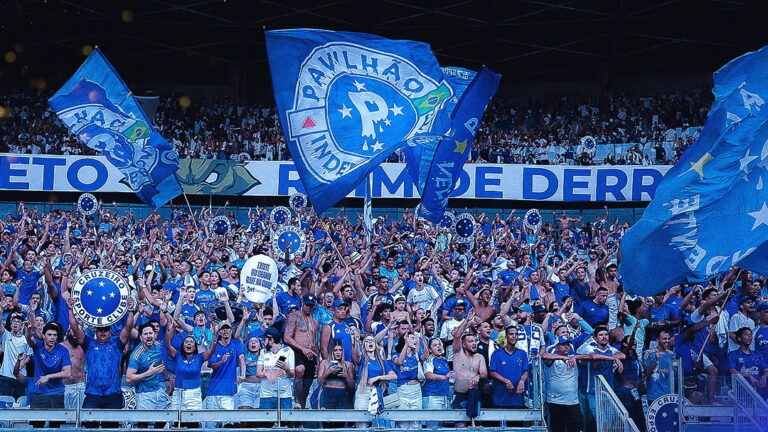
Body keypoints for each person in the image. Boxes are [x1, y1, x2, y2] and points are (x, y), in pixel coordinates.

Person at [24, 309, 71, 429]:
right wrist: (29, 329)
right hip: (38, 392)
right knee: (37, 426)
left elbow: (67, 372)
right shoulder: (38, 346)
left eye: (54, 335)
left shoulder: (63, 350)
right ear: (43, 336)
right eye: (49, 335)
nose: (52, 338)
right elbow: (29, 339)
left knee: (56, 426)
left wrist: (48, 376)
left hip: (57, 392)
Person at [576, 325, 625, 432]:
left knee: (608, 424)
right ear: (595, 337)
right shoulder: (590, 347)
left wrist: (615, 358)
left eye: (606, 334)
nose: (604, 337)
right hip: (593, 391)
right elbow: (594, 357)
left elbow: (622, 355)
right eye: (601, 335)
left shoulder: (610, 349)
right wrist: (613, 359)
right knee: (602, 422)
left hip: (608, 391)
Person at [165, 321, 217, 411]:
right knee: (176, 421)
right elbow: (168, 346)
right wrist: (168, 332)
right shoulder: (177, 356)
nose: (189, 343)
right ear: (183, 345)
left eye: (191, 342)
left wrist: (214, 336)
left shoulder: (199, 357)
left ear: (194, 346)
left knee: (193, 422)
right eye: (186, 342)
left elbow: (211, 351)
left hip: (194, 394)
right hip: (178, 392)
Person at [127, 322, 168, 428]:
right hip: (144, 394)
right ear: (141, 337)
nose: (149, 336)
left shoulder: (159, 346)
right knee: (143, 423)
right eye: (145, 334)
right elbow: (129, 378)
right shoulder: (136, 354)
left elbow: (161, 364)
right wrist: (148, 373)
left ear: (155, 335)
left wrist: (167, 378)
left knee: (162, 420)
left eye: (151, 333)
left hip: (159, 390)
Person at [542, 336, 585, 432]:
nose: (566, 347)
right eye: (562, 345)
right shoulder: (552, 358)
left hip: (573, 401)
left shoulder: (574, 358)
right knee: (557, 428)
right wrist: (565, 358)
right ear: (556, 347)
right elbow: (544, 356)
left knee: (575, 428)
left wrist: (574, 357)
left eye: (567, 344)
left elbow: (590, 356)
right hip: (555, 400)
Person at [451, 311, 487, 425]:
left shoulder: (479, 357)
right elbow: (457, 335)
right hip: (459, 396)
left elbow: (484, 373)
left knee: (476, 425)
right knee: (460, 426)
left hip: (474, 394)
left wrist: (477, 376)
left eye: (475, 341)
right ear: (464, 344)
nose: (474, 343)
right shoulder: (458, 353)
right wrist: (467, 320)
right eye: (470, 341)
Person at [284, 293, 319, 408]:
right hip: (297, 351)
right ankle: (296, 401)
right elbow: (287, 337)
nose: (309, 307)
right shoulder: (295, 316)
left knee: (308, 383)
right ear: (302, 303)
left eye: (311, 305)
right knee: (300, 369)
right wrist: (303, 349)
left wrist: (317, 360)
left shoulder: (315, 322)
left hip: (311, 354)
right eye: (307, 305)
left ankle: (301, 409)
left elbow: (315, 342)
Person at [354, 335, 396, 429]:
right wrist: (357, 342)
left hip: (377, 392)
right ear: (364, 345)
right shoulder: (363, 358)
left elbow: (393, 376)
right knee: (362, 423)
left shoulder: (381, 361)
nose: (370, 342)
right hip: (364, 392)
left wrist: (378, 377)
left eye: (372, 340)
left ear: (375, 344)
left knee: (377, 422)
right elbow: (356, 354)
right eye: (367, 341)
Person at [205, 322, 245, 413]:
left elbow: (242, 359)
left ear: (231, 331)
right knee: (210, 424)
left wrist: (243, 375)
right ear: (219, 332)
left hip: (228, 391)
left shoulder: (237, 343)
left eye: (228, 328)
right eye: (223, 329)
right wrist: (221, 362)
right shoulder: (214, 346)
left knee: (227, 423)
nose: (226, 330)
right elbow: (212, 365)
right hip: (213, 391)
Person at [489, 325, 529, 409]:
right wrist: (506, 381)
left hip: (518, 398)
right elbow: (492, 372)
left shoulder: (522, 353)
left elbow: (526, 371)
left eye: (516, 334)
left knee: (517, 421)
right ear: (506, 336)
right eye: (511, 334)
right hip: (500, 398)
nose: (514, 336)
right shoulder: (497, 353)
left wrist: (522, 381)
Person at [257, 326, 296, 409]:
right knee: (266, 421)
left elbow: (292, 374)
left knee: (285, 420)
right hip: (266, 394)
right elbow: (258, 373)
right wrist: (266, 374)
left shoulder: (288, 351)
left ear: (271, 340)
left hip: (284, 394)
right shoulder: (263, 352)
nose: (263, 342)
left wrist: (286, 369)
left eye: (265, 340)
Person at [422, 337, 454, 428]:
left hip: (444, 396)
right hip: (432, 397)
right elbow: (428, 375)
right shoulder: (429, 360)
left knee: (441, 426)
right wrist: (445, 377)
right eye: (435, 345)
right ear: (430, 349)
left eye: (439, 344)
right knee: (433, 426)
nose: (438, 346)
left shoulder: (444, 360)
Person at [393, 331, 422, 428]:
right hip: (403, 390)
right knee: (403, 421)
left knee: (416, 422)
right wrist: (406, 344)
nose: (415, 340)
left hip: (417, 389)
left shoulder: (416, 354)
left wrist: (423, 341)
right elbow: (399, 362)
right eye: (412, 338)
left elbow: (425, 356)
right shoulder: (396, 355)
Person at [729, 327, 768, 397]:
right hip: (742, 392)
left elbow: (766, 370)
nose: (749, 336)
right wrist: (749, 376)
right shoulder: (733, 354)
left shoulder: (758, 354)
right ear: (739, 338)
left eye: (750, 335)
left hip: (759, 392)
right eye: (746, 334)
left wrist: (764, 376)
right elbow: (732, 371)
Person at [0, 313, 32, 398]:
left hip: (20, 376)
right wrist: (1, 310)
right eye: (14, 321)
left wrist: (23, 363)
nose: (15, 323)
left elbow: (29, 355)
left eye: (18, 322)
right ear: (10, 325)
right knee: (4, 402)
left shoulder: (26, 339)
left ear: (22, 325)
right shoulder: (6, 335)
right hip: (6, 375)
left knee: (19, 402)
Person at [317, 338, 354, 409]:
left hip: (342, 394)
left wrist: (346, 376)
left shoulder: (347, 364)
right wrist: (328, 372)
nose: (338, 352)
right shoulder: (324, 363)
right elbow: (319, 382)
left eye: (340, 350)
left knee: (341, 419)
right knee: (326, 418)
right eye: (335, 350)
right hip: (327, 393)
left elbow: (352, 385)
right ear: (331, 351)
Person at [236, 336, 262, 409]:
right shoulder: (243, 355)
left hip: (262, 388)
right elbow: (237, 337)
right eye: (251, 341)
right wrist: (244, 324)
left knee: (260, 415)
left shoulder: (264, 355)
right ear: (247, 346)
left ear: (260, 346)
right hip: (247, 388)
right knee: (244, 412)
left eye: (256, 341)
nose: (253, 343)